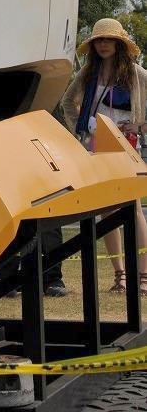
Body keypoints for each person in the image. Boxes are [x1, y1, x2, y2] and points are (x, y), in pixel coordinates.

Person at [61, 17, 147, 296]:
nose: (104, 44)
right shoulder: (88, 73)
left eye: (109, 39)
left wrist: (140, 125)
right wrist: (80, 128)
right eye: (99, 40)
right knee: (107, 211)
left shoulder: (134, 73)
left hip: (125, 145)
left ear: (119, 44)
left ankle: (144, 276)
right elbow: (67, 102)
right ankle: (120, 276)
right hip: (95, 147)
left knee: (133, 209)